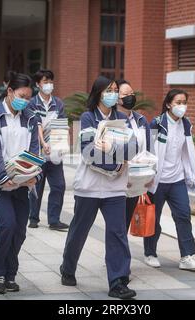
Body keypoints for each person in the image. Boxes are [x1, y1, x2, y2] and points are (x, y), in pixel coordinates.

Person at [60, 76, 138, 299]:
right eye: (109, 90)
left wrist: (110, 146)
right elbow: (88, 152)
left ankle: (118, 281)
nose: (113, 94)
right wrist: (117, 160)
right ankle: (67, 267)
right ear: (98, 93)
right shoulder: (87, 118)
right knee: (79, 231)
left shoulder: (121, 119)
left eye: (115, 90)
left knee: (117, 233)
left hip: (115, 190)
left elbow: (132, 149)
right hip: (89, 188)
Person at [0, 72, 42, 294]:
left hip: (22, 183)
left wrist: (34, 174)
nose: (24, 100)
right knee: (6, 225)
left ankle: (10, 273)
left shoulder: (30, 117)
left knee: (19, 231)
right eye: (21, 95)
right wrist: (3, 177)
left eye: (28, 97)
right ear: (10, 91)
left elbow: (35, 150)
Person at [144, 89, 195, 270]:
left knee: (183, 215)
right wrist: (146, 176)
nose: (181, 106)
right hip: (158, 180)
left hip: (177, 180)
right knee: (154, 219)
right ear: (169, 104)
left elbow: (187, 152)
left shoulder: (186, 124)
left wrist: (191, 175)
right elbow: (148, 149)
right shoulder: (157, 123)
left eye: (184, 102)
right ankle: (150, 253)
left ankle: (186, 257)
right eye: (178, 102)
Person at [26, 69, 68, 231]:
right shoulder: (31, 103)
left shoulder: (58, 103)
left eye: (51, 81)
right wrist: (43, 143)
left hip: (55, 153)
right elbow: (35, 125)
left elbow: (62, 126)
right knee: (36, 186)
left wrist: (62, 145)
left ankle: (54, 220)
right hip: (37, 153)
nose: (49, 85)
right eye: (45, 82)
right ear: (38, 84)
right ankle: (33, 217)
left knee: (59, 186)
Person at [116, 80, 152, 231]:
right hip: (118, 178)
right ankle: (117, 253)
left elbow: (149, 150)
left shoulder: (141, 120)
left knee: (126, 221)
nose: (130, 97)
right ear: (117, 98)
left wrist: (149, 176)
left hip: (137, 178)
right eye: (126, 94)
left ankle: (121, 252)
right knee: (117, 223)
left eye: (132, 94)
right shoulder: (112, 120)